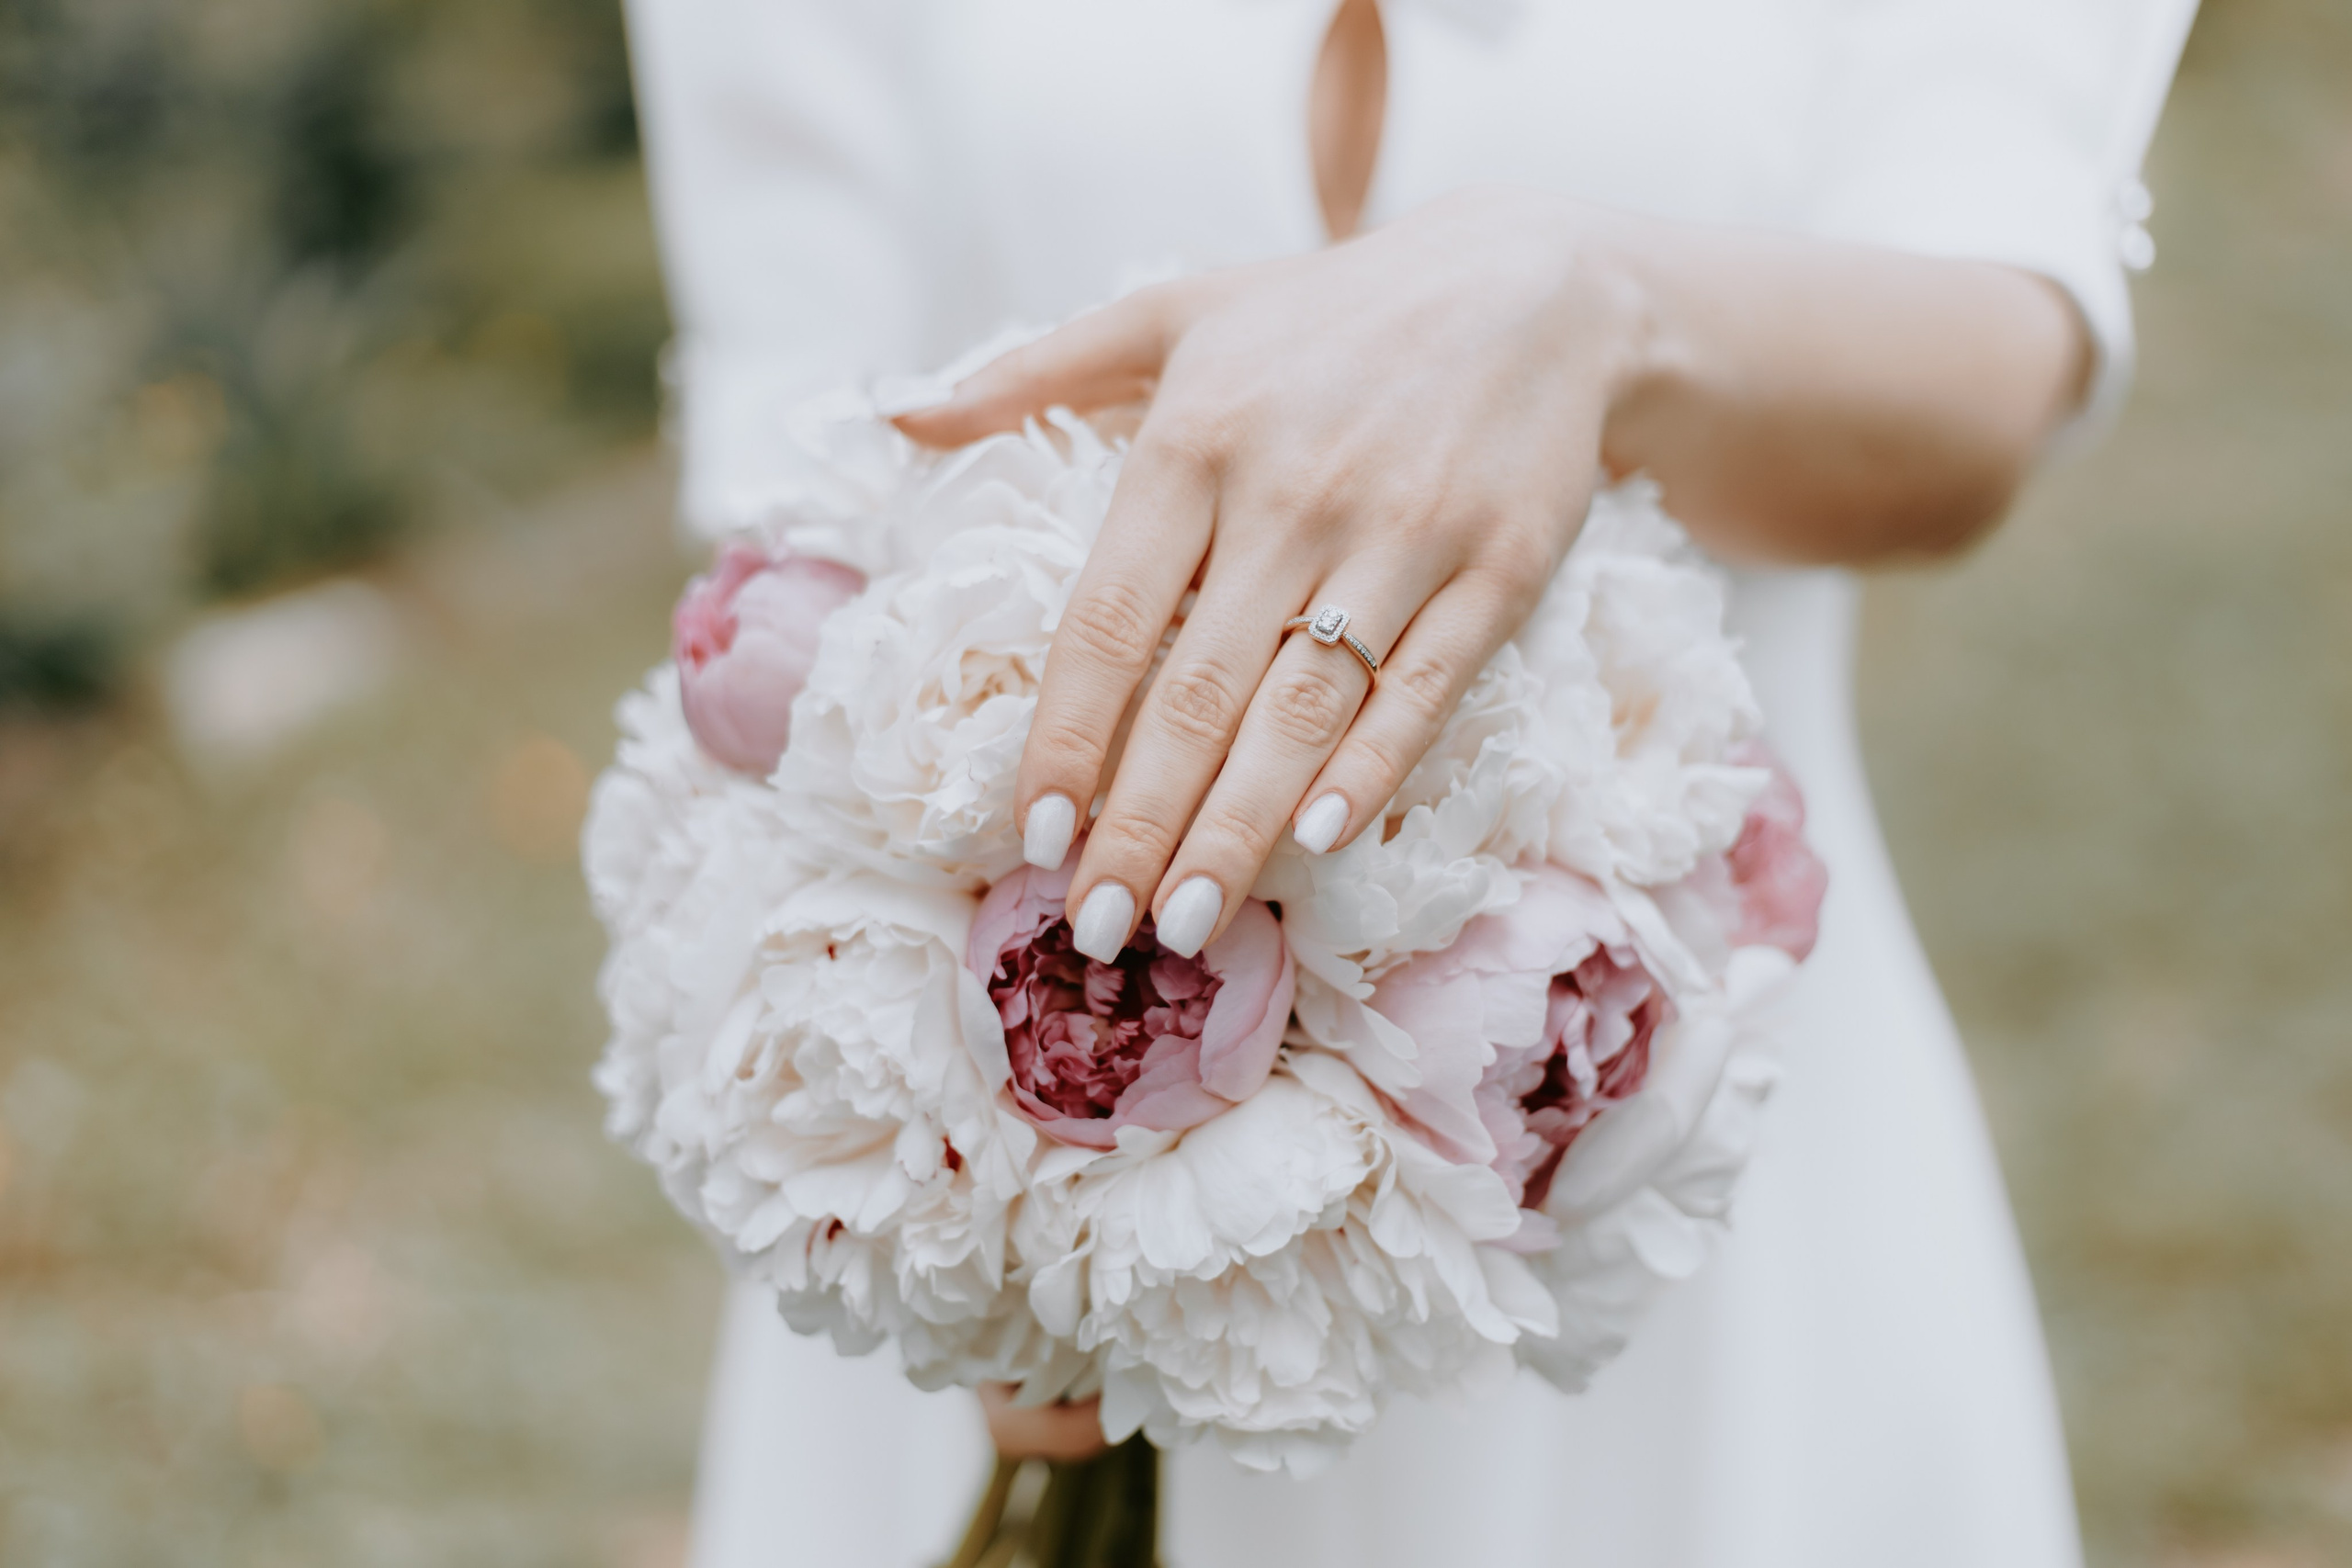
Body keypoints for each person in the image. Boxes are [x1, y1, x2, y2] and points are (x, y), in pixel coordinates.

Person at [622, 1, 2197, 1562]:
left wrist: (1602, 313)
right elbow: (806, 496)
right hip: (1004, 1110)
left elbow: (1990, 359)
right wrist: (977, 1171)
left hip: (1651, 1097)